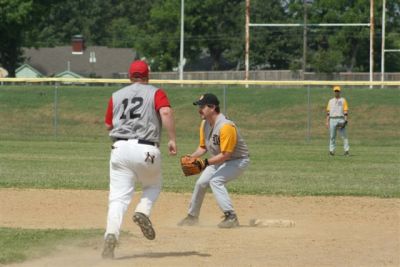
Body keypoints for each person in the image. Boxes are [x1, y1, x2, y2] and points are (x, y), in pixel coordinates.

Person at [102, 60, 177, 259]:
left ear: (129, 76)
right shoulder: (156, 92)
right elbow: (166, 111)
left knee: (118, 198)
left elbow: (108, 125)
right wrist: (171, 139)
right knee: (153, 185)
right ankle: (143, 211)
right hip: (146, 148)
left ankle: (111, 234)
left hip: (119, 148)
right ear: (148, 76)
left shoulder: (116, 95)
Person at [178, 93, 250, 228]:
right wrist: (193, 157)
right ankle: (192, 217)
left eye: (202, 106)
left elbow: (226, 155)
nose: (199, 109)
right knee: (201, 183)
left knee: (215, 181)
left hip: (237, 160)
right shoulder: (205, 123)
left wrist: (204, 163)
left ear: (212, 107)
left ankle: (231, 216)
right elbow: (202, 147)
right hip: (218, 160)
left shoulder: (226, 126)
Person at [326, 85, 350, 156]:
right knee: (332, 136)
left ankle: (346, 151)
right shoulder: (330, 101)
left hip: (340, 119)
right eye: (335, 91)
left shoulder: (343, 100)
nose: (337, 92)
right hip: (332, 119)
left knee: (344, 136)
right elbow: (328, 112)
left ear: (340, 92)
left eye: (338, 91)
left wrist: (345, 121)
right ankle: (331, 151)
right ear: (334, 92)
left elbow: (345, 111)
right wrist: (327, 121)